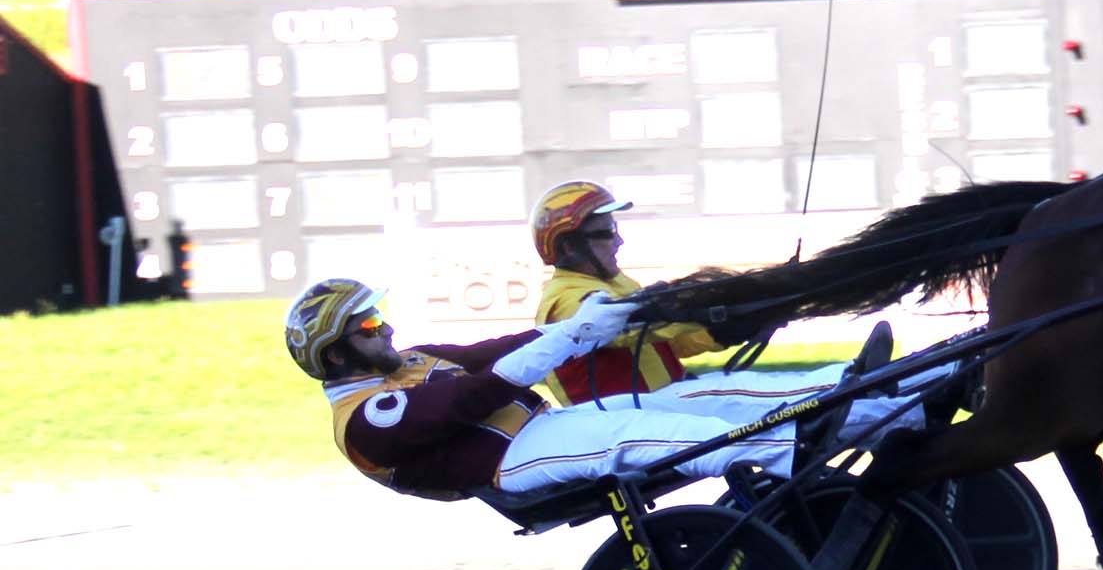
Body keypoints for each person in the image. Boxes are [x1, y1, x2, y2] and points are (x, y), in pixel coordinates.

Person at [285, 277, 913, 508]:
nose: (386, 327)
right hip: (513, 463)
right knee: (656, 434)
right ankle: (796, 448)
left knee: (705, 399)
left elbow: (497, 349)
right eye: (369, 325)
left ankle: (883, 401)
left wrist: (590, 325)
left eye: (380, 316)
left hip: (547, 429)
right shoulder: (362, 421)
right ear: (336, 354)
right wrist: (574, 334)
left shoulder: (412, 358)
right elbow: (475, 396)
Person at [528, 180, 846, 408]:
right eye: (607, 232)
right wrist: (702, 307)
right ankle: (853, 394)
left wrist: (725, 331)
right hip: (628, 417)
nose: (619, 241)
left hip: (664, 400)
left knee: (774, 395)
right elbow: (631, 329)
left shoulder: (615, 283)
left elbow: (667, 345)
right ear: (569, 246)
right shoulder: (565, 299)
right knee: (781, 397)